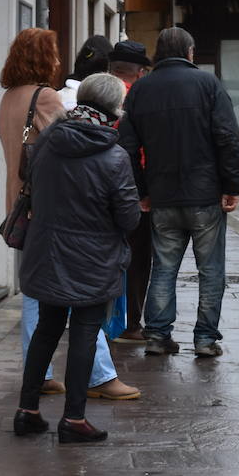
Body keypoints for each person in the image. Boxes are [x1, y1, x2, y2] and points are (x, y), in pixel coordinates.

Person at [0, 30, 140, 401]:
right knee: (78, 298)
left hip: (21, 206)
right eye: (53, 53)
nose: (59, 61)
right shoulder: (43, 96)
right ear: (43, 58)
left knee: (36, 296)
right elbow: (73, 138)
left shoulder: (9, 97)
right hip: (53, 210)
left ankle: (39, 375)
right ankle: (100, 376)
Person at [15, 74, 142, 443]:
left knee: (46, 329)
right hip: (92, 258)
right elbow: (129, 218)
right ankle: (73, 419)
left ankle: (27, 410)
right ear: (115, 109)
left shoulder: (48, 141)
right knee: (85, 332)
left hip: (47, 251)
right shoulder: (114, 156)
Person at [119, 27, 239, 358]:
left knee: (163, 266)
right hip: (205, 195)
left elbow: (128, 147)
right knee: (211, 269)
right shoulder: (208, 85)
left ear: (158, 54)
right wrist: (232, 186)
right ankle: (205, 339)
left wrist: (141, 190)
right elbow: (228, 138)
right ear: (190, 53)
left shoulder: (141, 90)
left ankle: (158, 335)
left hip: (161, 195)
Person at [106, 40, 153, 344]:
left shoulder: (96, 91)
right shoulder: (140, 96)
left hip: (96, 191)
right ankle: (132, 323)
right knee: (137, 258)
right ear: (140, 71)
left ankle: (104, 320)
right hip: (133, 192)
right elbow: (139, 150)